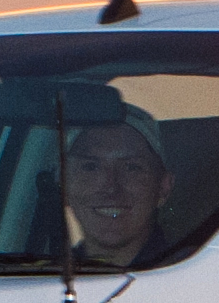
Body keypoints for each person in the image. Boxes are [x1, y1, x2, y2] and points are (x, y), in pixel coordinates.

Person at [57, 107, 174, 268]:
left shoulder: (194, 279)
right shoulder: (42, 281)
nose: (111, 187)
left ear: (163, 187)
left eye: (131, 167)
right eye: (91, 167)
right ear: (64, 185)